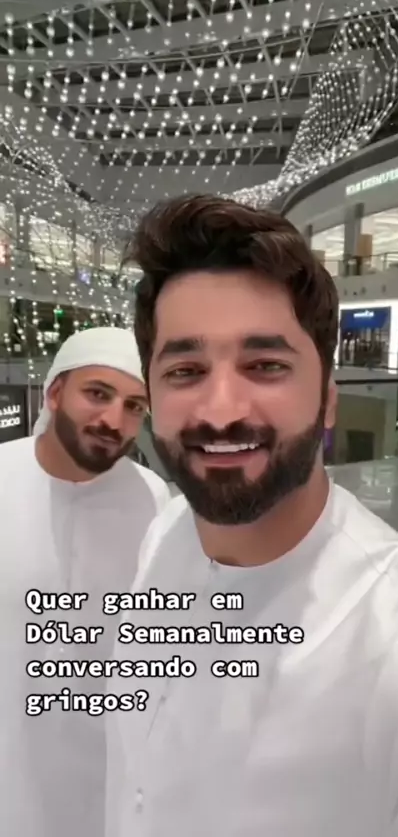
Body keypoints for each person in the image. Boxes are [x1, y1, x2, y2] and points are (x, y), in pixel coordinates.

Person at [106, 196, 398, 837]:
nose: (221, 410)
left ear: (328, 400)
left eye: (265, 366)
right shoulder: (165, 531)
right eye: (186, 370)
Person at [0, 326, 170, 837]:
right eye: (97, 394)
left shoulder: (152, 499)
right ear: (55, 393)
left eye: (134, 406)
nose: (113, 420)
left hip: (104, 777)